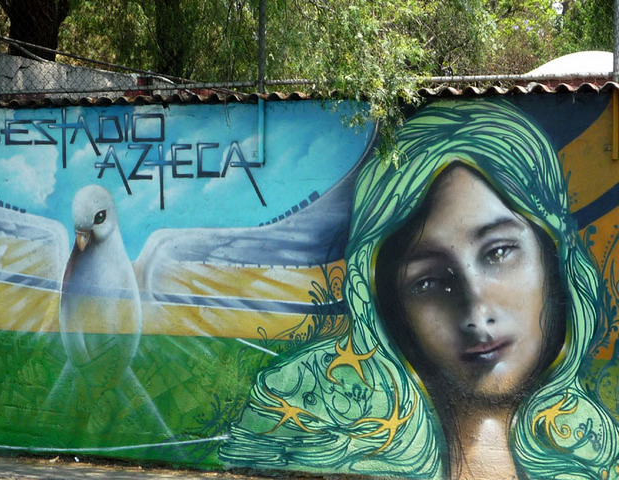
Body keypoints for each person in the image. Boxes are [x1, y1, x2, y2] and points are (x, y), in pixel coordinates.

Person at [219, 100, 619, 480]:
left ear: (551, 254)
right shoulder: (302, 415)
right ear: (387, 304)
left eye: (498, 252)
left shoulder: (595, 451)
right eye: (429, 281)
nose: (476, 310)